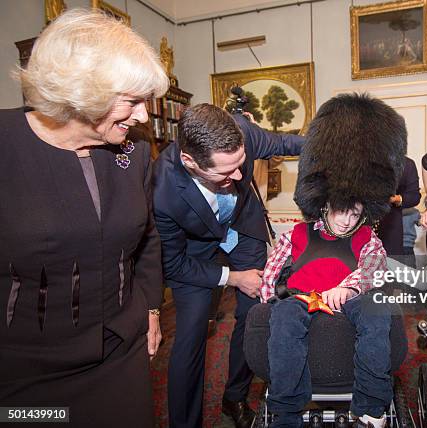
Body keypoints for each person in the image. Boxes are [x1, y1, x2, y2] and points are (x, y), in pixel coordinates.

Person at [0, 8, 169, 427]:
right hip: (24, 371)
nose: (144, 116)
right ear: (82, 92)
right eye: (132, 102)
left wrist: (149, 309)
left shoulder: (134, 154)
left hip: (119, 354)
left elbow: (147, 238)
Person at [261, 92, 408, 428]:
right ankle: (286, 411)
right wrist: (281, 296)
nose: (346, 220)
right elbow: (271, 279)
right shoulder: (294, 235)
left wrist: (349, 288)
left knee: (377, 309)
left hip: (350, 300)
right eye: (341, 211)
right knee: (283, 314)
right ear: (326, 204)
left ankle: (371, 408)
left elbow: (374, 270)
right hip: (299, 301)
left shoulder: (367, 238)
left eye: (355, 213)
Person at [152, 103, 304, 428]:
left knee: (253, 313)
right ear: (190, 162)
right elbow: (175, 265)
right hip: (194, 249)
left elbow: (284, 144)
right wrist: (233, 278)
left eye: (240, 165)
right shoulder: (163, 191)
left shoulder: (242, 133)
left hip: (242, 226)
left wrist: (331, 147)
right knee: (191, 334)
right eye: (225, 172)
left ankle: (234, 396)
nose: (238, 177)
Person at [378, 156, 420, 256]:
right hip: (362, 224)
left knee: (394, 265)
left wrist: (394, 198)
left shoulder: (406, 164)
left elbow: (414, 197)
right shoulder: (362, 160)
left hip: (393, 227)